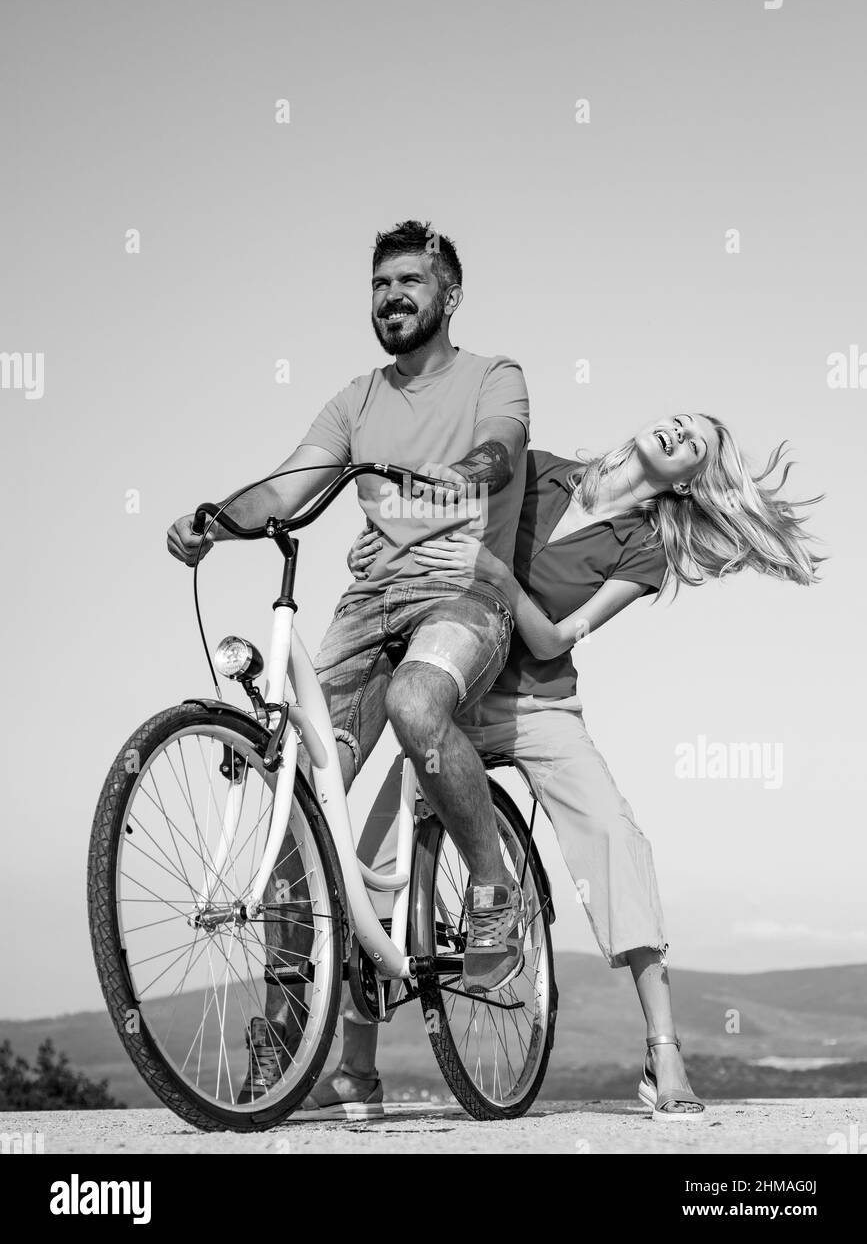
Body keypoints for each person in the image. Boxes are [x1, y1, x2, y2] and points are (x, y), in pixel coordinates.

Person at [299, 412, 821, 1121]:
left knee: (612, 833)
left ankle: (662, 1048)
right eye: (676, 417)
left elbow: (552, 641)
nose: (674, 429)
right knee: (369, 867)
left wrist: (495, 576)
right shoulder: (537, 471)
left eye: (693, 441)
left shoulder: (642, 549)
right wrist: (394, 534)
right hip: (449, 694)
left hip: (537, 706)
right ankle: (356, 1070)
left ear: (692, 478)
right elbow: (438, 521)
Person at [166, 220, 531, 1102]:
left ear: (448, 295)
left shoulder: (494, 377)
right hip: (368, 604)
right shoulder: (355, 399)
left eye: (410, 281)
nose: (393, 297)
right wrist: (215, 518)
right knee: (292, 788)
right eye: (380, 285)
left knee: (415, 706)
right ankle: (288, 1043)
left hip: (462, 592)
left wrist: (461, 475)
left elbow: (500, 448)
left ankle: (492, 889)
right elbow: (292, 483)